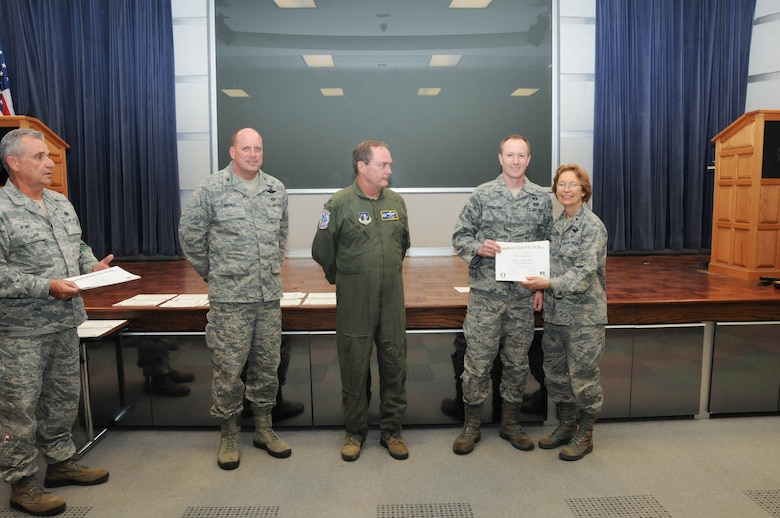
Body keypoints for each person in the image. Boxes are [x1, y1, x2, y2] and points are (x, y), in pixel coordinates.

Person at [0, 129, 111, 516]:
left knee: (63, 400)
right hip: (20, 331)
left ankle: (62, 463)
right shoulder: (1, 209)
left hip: (65, 321)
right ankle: (21, 483)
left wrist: (91, 267)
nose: (50, 164)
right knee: (19, 409)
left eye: (49, 157)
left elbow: (77, 245)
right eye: (40, 158)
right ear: (14, 163)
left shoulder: (60, 202)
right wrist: (45, 287)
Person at [178, 127, 291, 470]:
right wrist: (215, 274)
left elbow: (281, 234)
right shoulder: (211, 189)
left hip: (268, 298)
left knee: (267, 367)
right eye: (246, 148)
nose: (253, 154)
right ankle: (228, 433)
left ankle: (263, 428)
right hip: (230, 301)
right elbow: (190, 235)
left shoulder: (276, 189)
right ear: (232, 152)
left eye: (258, 148)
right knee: (228, 370)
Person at [451, 134, 552, 455]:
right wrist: (478, 247)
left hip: (523, 297)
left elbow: (551, 245)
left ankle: (510, 423)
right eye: (510, 155)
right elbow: (459, 235)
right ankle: (471, 425)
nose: (516, 161)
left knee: (517, 363)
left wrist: (543, 286)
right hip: (486, 296)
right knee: (477, 363)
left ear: (529, 159)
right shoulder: (482, 195)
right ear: (500, 158)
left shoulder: (542, 198)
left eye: (521, 155)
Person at [311, 140, 411, 461]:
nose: (389, 171)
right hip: (355, 301)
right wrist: (346, 279)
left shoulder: (396, 202)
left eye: (390, 164)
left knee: (394, 365)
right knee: (354, 366)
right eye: (383, 165)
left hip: (392, 299)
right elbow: (322, 250)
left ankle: (392, 432)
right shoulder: (338, 204)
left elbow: (403, 245)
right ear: (361, 167)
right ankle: (354, 432)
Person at [522, 163, 607, 461]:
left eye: (573, 185)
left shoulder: (592, 226)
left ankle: (585, 434)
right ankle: (566, 425)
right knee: (556, 376)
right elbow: (550, 266)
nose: (566, 190)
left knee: (583, 378)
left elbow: (584, 273)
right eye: (561, 185)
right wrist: (540, 288)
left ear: (584, 190)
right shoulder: (557, 225)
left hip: (584, 318)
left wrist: (549, 283)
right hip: (556, 315)